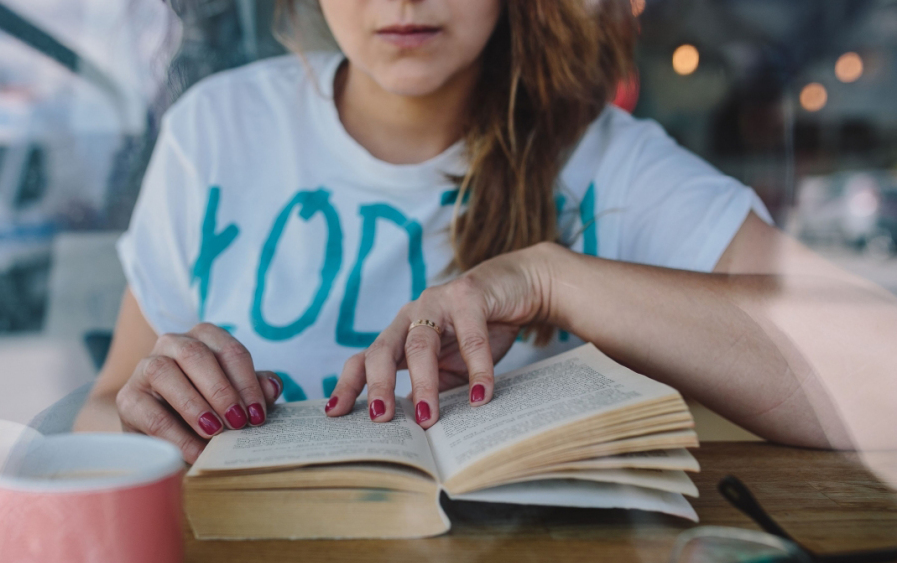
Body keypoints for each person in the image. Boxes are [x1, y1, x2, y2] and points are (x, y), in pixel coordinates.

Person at [75, 0, 897, 463]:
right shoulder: (216, 128)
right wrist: (146, 414)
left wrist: (555, 278)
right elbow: (106, 402)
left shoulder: (607, 161)